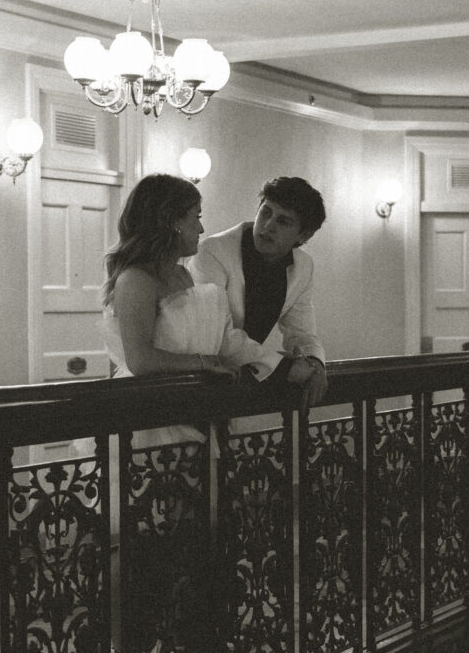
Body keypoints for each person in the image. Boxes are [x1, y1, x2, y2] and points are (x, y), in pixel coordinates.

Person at [100, 172, 269, 447]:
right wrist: (205, 364)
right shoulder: (135, 280)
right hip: (151, 418)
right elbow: (140, 360)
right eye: (196, 216)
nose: (201, 229)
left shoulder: (182, 275)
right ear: (172, 221)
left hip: (194, 408)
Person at [189, 176, 329, 406]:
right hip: (198, 378)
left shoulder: (303, 266)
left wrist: (315, 363)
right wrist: (286, 368)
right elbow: (217, 334)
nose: (267, 226)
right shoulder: (213, 251)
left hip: (238, 383)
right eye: (266, 212)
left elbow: (301, 332)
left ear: (304, 236)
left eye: (283, 221)